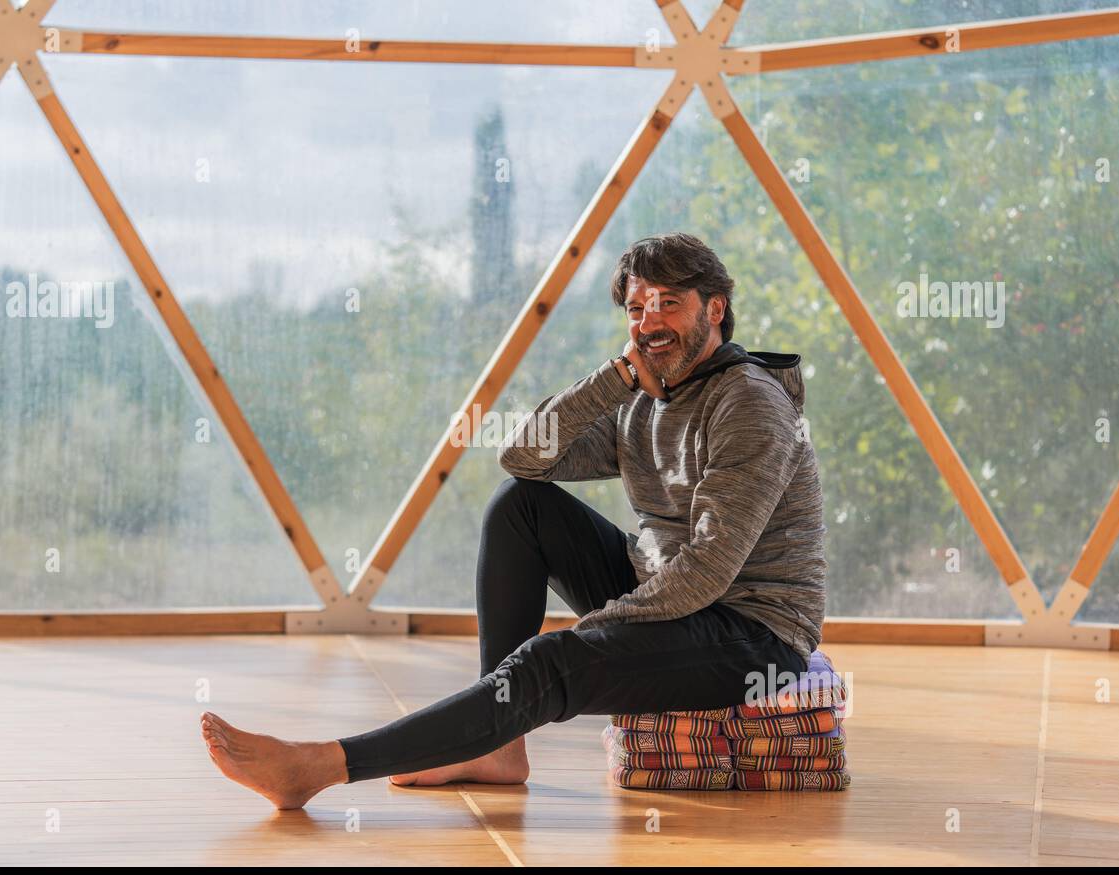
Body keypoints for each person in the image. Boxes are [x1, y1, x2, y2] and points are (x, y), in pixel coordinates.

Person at [200, 232, 827, 809]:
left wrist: (593, 637)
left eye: (668, 303)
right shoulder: (643, 396)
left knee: (547, 663)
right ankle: (496, 748)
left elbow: (708, 571)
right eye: (636, 309)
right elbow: (524, 456)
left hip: (751, 630)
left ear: (715, 308)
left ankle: (320, 766)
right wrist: (612, 381)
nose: (649, 322)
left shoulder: (748, 402)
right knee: (519, 505)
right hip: (670, 593)